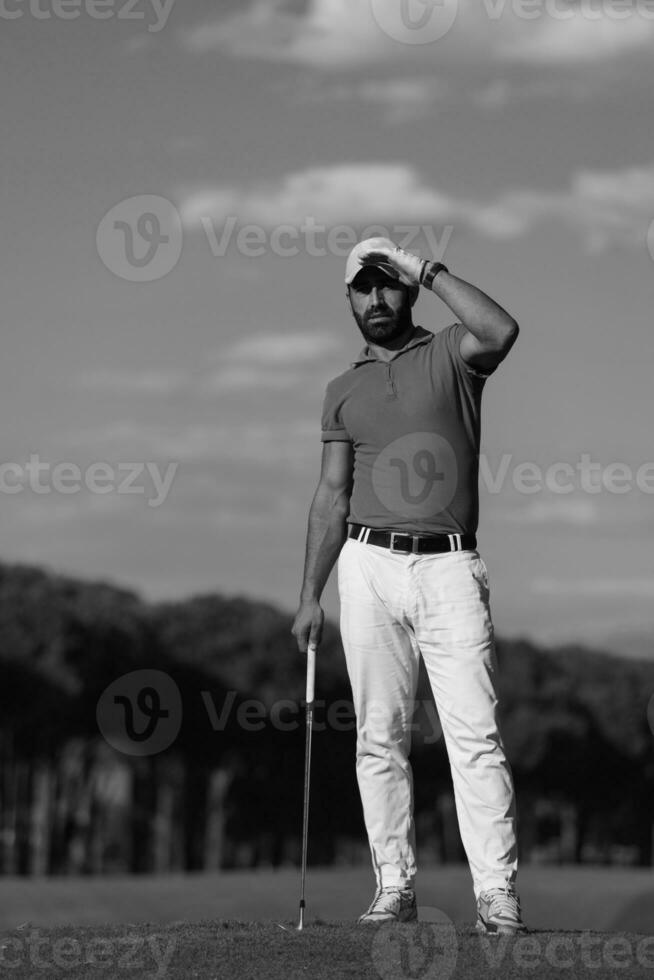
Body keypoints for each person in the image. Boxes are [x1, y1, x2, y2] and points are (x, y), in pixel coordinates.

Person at [291, 236, 526, 934]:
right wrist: (310, 594)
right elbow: (331, 496)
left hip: (450, 565)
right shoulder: (343, 389)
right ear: (349, 299)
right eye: (364, 287)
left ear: (409, 291)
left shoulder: (454, 354)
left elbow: (502, 330)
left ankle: (497, 895)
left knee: (475, 736)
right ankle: (394, 886)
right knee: (378, 737)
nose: (377, 298)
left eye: (388, 285)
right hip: (367, 567)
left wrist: (427, 265)